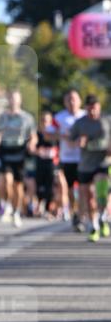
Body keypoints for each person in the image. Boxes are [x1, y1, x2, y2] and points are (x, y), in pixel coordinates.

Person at [69, 94, 111, 242]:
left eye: (95, 108)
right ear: (86, 108)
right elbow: (70, 140)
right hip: (85, 164)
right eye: (90, 109)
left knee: (100, 192)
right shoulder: (80, 123)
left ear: (99, 107)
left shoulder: (107, 121)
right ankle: (94, 226)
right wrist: (77, 142)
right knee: (88, 196)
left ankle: (103, 217)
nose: (92, 112)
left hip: (103, 163)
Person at [0, 90, 37, 228]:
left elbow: (33, 135)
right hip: (6, 150)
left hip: (20, 151)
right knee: (6, 180)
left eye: (15, 99)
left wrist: (32, 143)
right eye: (11, 99)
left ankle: (16, 211)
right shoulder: (3, 117)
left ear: (20, 101)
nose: (13, 101)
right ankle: (6, 205)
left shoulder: (27, 118)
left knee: (18, 185)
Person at [54, 89, 86, 230]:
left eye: (74, 99)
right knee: (72, 190)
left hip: (84, 158)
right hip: (67, 159)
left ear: (80, 101)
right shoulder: (59, 118)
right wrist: (63, 135)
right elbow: (47, 133)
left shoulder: (86, 116)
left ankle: (83, 214)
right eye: (69, 99)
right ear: (65, 102)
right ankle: (76, 214)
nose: (72, 102)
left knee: (85, 189)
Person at [34, 110, 58, 218]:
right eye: (43, 120)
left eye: (47, 121)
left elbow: (58, 146)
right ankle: (39, 205)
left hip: (51, 162)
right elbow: (32, 147)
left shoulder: (54, 132)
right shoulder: (37, 133)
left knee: (50, 186)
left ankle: (49, 209)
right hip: (40, 161)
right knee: (39, 185)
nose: (45, 123)